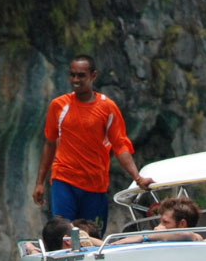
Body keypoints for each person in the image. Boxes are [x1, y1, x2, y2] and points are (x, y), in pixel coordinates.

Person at [31, 55, 154, 234]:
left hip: (95, 185)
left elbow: (120, 146)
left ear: (93, 76)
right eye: (72, 75)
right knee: (63, 232)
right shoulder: (59, 105)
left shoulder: (107, 108)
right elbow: (50, 144)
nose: (75, 80)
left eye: (81, 76)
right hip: (64, 179)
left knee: (92, 235)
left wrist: (138, 178)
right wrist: (40, 182)